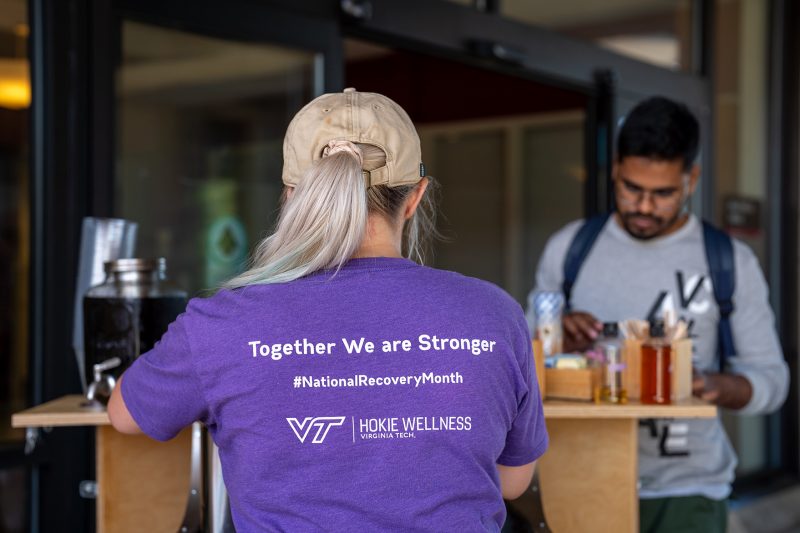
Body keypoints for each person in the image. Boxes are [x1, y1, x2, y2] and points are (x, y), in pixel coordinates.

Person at [108, 88, 548, 531]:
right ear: (416, 198)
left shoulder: (222, 323)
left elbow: (124, 416)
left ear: (290, 197)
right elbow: (512, 481)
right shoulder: (495, 315)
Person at [531, 96, 788, 533]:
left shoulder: (729, 260)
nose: (644, 207)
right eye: (632, 188)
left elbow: (772, 382)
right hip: (581, 479)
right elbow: (524, 360)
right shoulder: (571, 247)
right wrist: (555, 339)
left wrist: (714, 385)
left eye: (664, 193)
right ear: (615, 169)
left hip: (687, 491)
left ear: (693, 178)